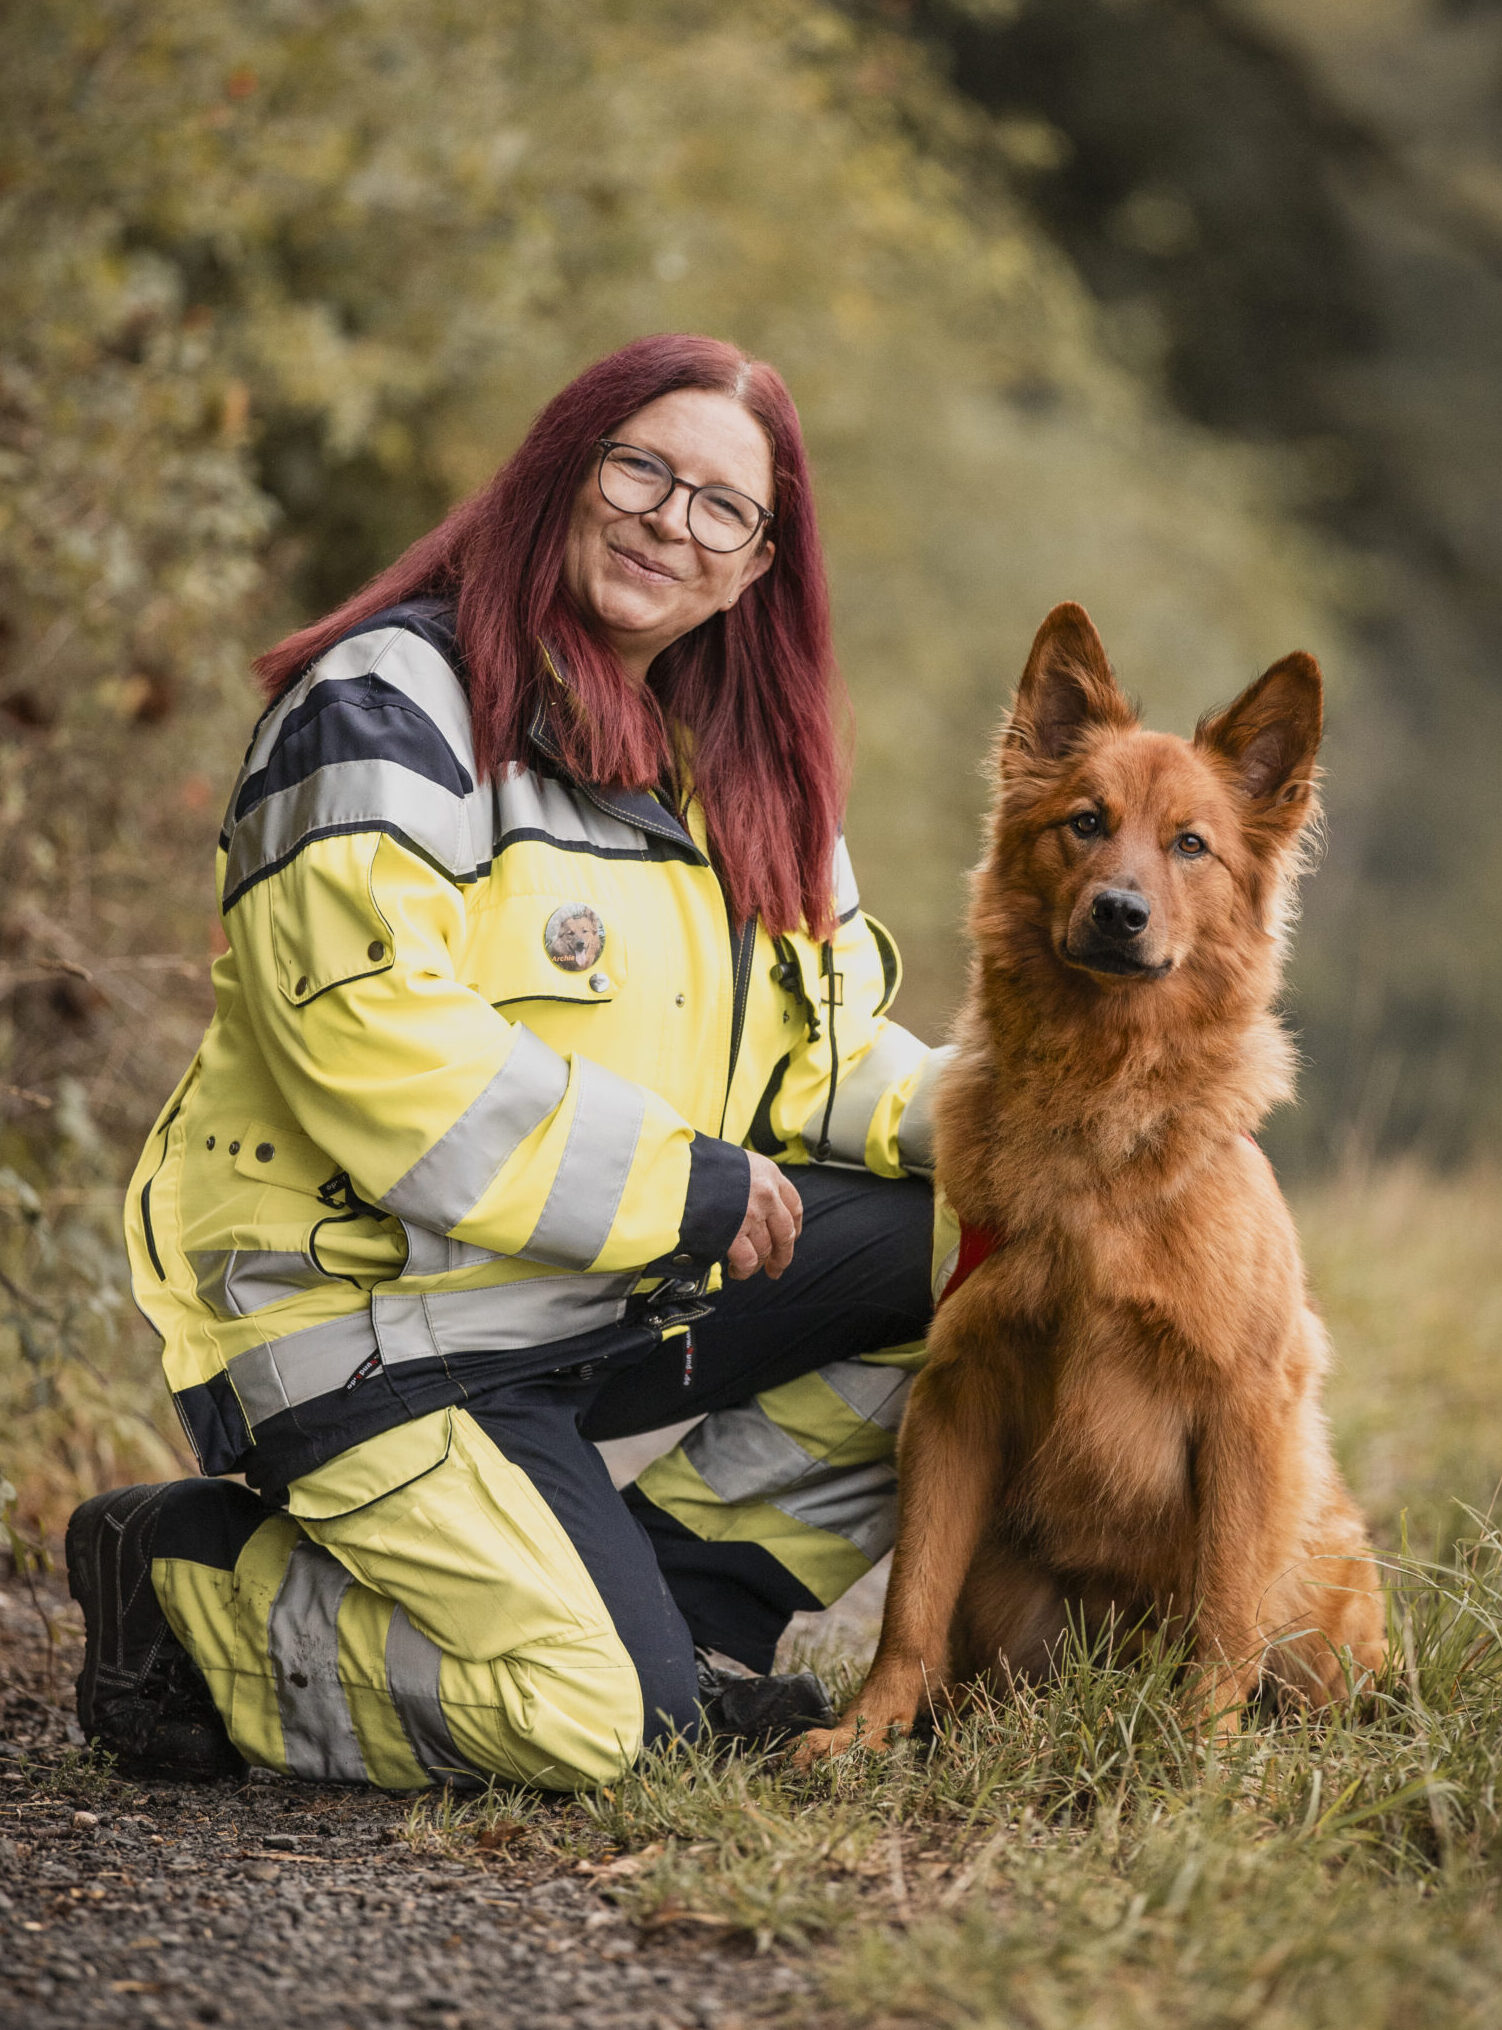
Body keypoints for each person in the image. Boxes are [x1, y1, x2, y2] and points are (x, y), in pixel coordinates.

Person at [66, 333, 955, 1793]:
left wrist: (1033, 1130)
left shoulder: (743, 774)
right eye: (641, 470)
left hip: (577, 1302)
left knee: (974, 1247)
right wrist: (678, 1185)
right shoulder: (392, 697)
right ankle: (195, 1590)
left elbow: (825, 1059)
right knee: (582, 1720)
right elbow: (370, 1040)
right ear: (564, 470)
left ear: (756, 564)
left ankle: (687, 1619)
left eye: (721, 506)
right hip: (361, 1313)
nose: (670, 522)